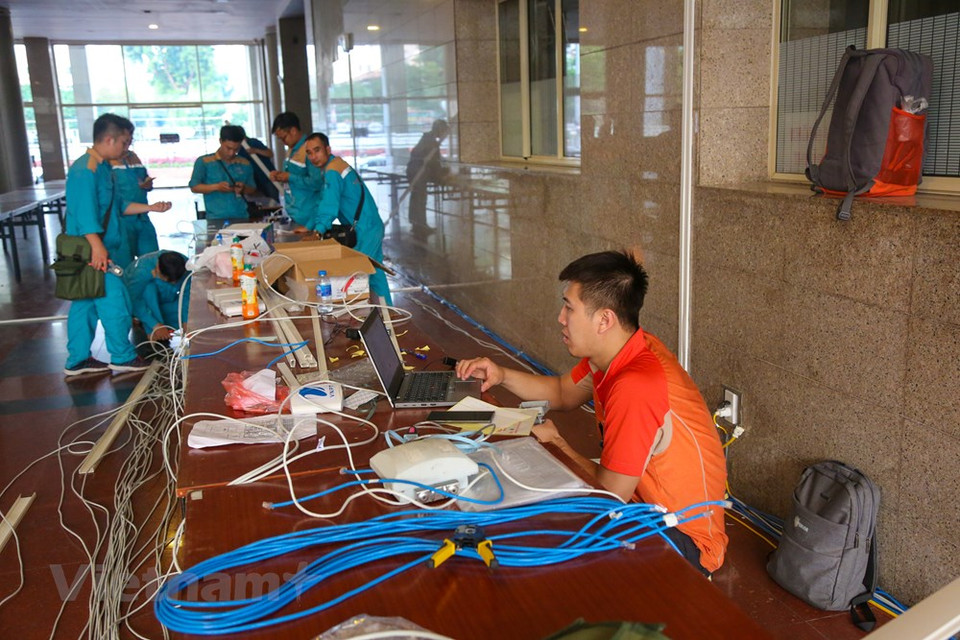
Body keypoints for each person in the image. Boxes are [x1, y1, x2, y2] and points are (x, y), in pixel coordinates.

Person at [455, 250, 729, 575]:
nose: (560, 317)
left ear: (604, 320)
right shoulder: (620, 350)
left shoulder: (637, 384)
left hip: (683, 542)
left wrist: (557, 445)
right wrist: (501, 374)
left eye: (569, 307)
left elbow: (608, 496)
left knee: (539, 542)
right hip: (641, 503)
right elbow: (561, 392)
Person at [63, 113, 173, 377]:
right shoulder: (85, 170)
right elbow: (85, 213)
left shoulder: (102, 167)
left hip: (92, 245)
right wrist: (97, 248)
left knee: (85, 304)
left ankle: (77, 360)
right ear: (110, 139)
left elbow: (117, 206)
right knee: (115, 300)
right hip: (90, 247)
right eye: (125, 142)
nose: (127, 148)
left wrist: (151, 208)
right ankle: (122, 356)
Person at [303, 133, 392, 304]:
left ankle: (362, 317)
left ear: (327, 149)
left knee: (357, 276)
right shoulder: (337, 165)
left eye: (317, 150)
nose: (313, 156)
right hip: (370, 226)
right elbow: (324, 200)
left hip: (365, 229)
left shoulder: (332, 172)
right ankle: (389, 312)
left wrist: (318, 231)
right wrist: (311, 225)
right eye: (309, 153)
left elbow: (329, 205)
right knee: (375, 274)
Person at [269, 112, 324, 230]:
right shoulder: (292, 150)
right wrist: (279, 176)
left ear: (293, 131)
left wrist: (289, 177)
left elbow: (317, 182)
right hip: (296, 216)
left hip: (310, 218)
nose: (283, 142)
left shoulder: (309, 151)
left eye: (283, 138)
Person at [189, 125, 256, 220]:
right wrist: (216, 187)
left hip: (242, 216)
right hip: (215, 218)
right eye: (228, 148)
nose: (231, 153)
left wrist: (243, 188)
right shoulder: (204, 162)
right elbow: (194, 187)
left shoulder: (245, 163)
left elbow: (252, 188)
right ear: (220, 141)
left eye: (236, 149)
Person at [124, 250, 191, 343]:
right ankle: (153, 330)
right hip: (147, 304)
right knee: (149, 290)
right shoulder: (141, 271)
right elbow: (133, 300)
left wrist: (186, 322)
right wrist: (155, 324)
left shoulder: (185, 266)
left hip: (168, 302)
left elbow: (187, 296)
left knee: (192, 318)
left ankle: (163, 327)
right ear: (158, 270)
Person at [111, 148, 160, 259]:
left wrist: (147, 182)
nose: (126, 144)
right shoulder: (104, 162)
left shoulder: (132, 156)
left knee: (152, 259)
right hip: (121, 221)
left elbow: (143, 176)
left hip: (142, 218)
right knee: (124, 263)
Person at [405, 119, 449, 232]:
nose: (444, 134)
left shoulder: (427, 138)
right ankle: (421, 226)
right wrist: (443, 174)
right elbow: (434, 163)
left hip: (413, 171)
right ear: (439, 130)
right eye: (444, 131)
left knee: (416, 198)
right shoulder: (432, 142)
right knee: (420, 199)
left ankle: (416, 225)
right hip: (418, 173)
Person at [235, 126, 279, 202]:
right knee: (261, 201)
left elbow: (270, 153)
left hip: (267, 177)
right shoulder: (240, 150)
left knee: (274, 199)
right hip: (256, 181)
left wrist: (256, 150)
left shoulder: (253, 142)